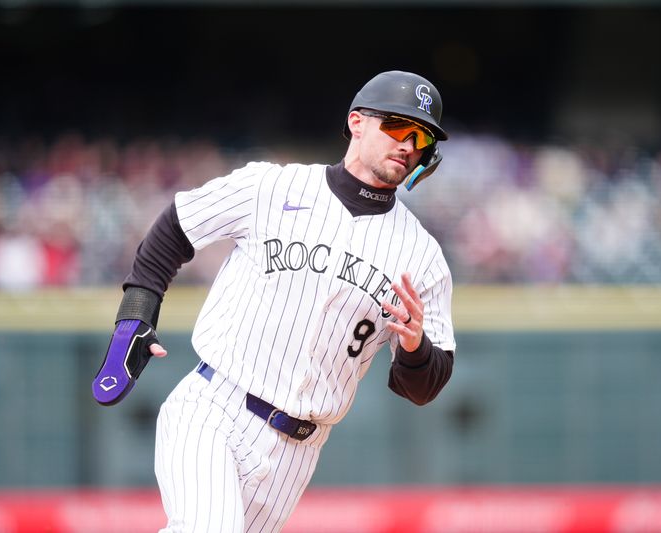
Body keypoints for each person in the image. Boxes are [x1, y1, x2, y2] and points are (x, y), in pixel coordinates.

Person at [92, 70, 456, 532]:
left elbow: (424, 385)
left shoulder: (422, 256)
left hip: (296, 452)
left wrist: (413, 346)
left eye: (422, 136)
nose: (409, 144)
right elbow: (176, 228)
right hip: (215, 408)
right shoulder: (272, 186)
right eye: (398, 127)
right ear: (357, 122)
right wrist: (136, 317)